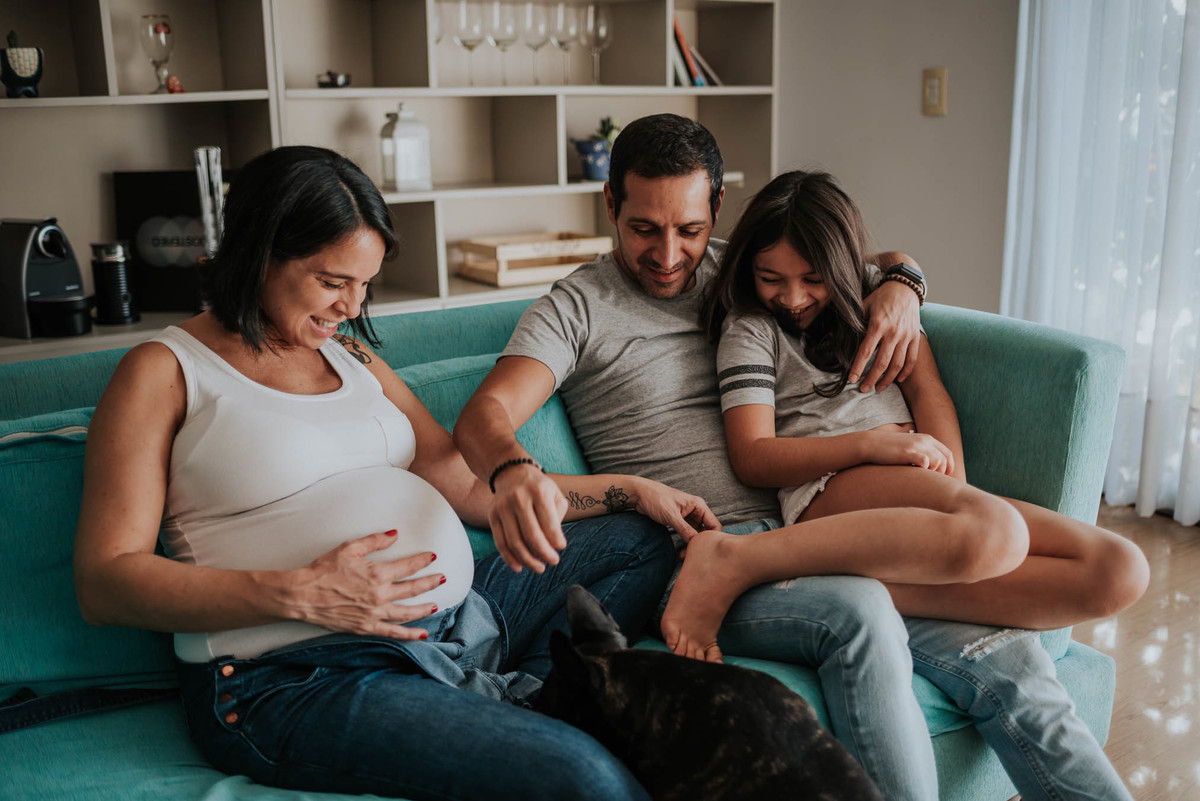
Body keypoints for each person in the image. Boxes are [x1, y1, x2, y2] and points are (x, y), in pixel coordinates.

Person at [454, 114, 1147, 801]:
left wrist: (904, 285)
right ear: (610, 203)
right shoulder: (576, 307)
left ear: (716, 206)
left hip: (845, 529)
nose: (667, 254)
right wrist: (516, 470)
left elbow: (856, 257)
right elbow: (485, 416)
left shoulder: (748, 269)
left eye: (688, 229)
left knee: (1017, 660)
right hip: (703, 556)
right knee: (861, 610)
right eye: (643, 228)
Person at [72, 145, 719, 801]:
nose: (351, 306)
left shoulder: (350, 355)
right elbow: (104, 584)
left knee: (641, 537)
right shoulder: (164, 371)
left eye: (365, 284)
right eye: (333, 282)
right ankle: (521, 712)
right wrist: (298, 594)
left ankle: (511, 697)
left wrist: (631, 491)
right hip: (298, 675)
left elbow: (465, 484)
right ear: (259, 252)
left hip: (458, 627)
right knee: (585, 778)